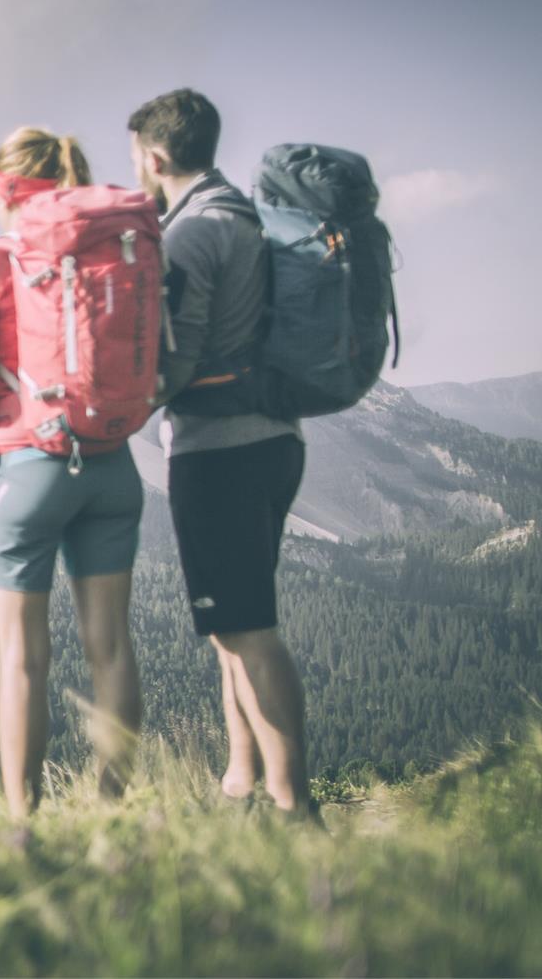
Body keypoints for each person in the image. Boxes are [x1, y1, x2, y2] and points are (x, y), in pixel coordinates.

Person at [0, 127, 145, 820]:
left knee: (22, 659)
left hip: (27, 472)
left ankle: (23, 823)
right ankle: (111, 811)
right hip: (112, 465)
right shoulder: (110, 255)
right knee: (111, 648)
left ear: (3, 189)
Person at [126, 88, 315, 818]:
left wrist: (120, 410)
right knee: (231, 628)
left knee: (248, 630)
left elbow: (177, 356)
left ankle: (294, 805)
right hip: (274, 437)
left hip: (218, 449)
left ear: (155, 155)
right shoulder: (244, 216)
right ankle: (241, 784)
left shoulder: (191, 234)